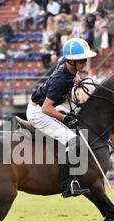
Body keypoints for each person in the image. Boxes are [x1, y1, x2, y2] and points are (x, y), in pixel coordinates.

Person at [27, 38, 97, 198]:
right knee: (73, 140)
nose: (84, 63)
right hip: (38, 112)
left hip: (45, 106)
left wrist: (76, 76)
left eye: (84, 59)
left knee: (75, 120)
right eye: (81, 61)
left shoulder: (66, 65)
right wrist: (65, 119)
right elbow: (46, 108)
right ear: (71, 61)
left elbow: (62, 60)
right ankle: (68, 185)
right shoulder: (59, 80)